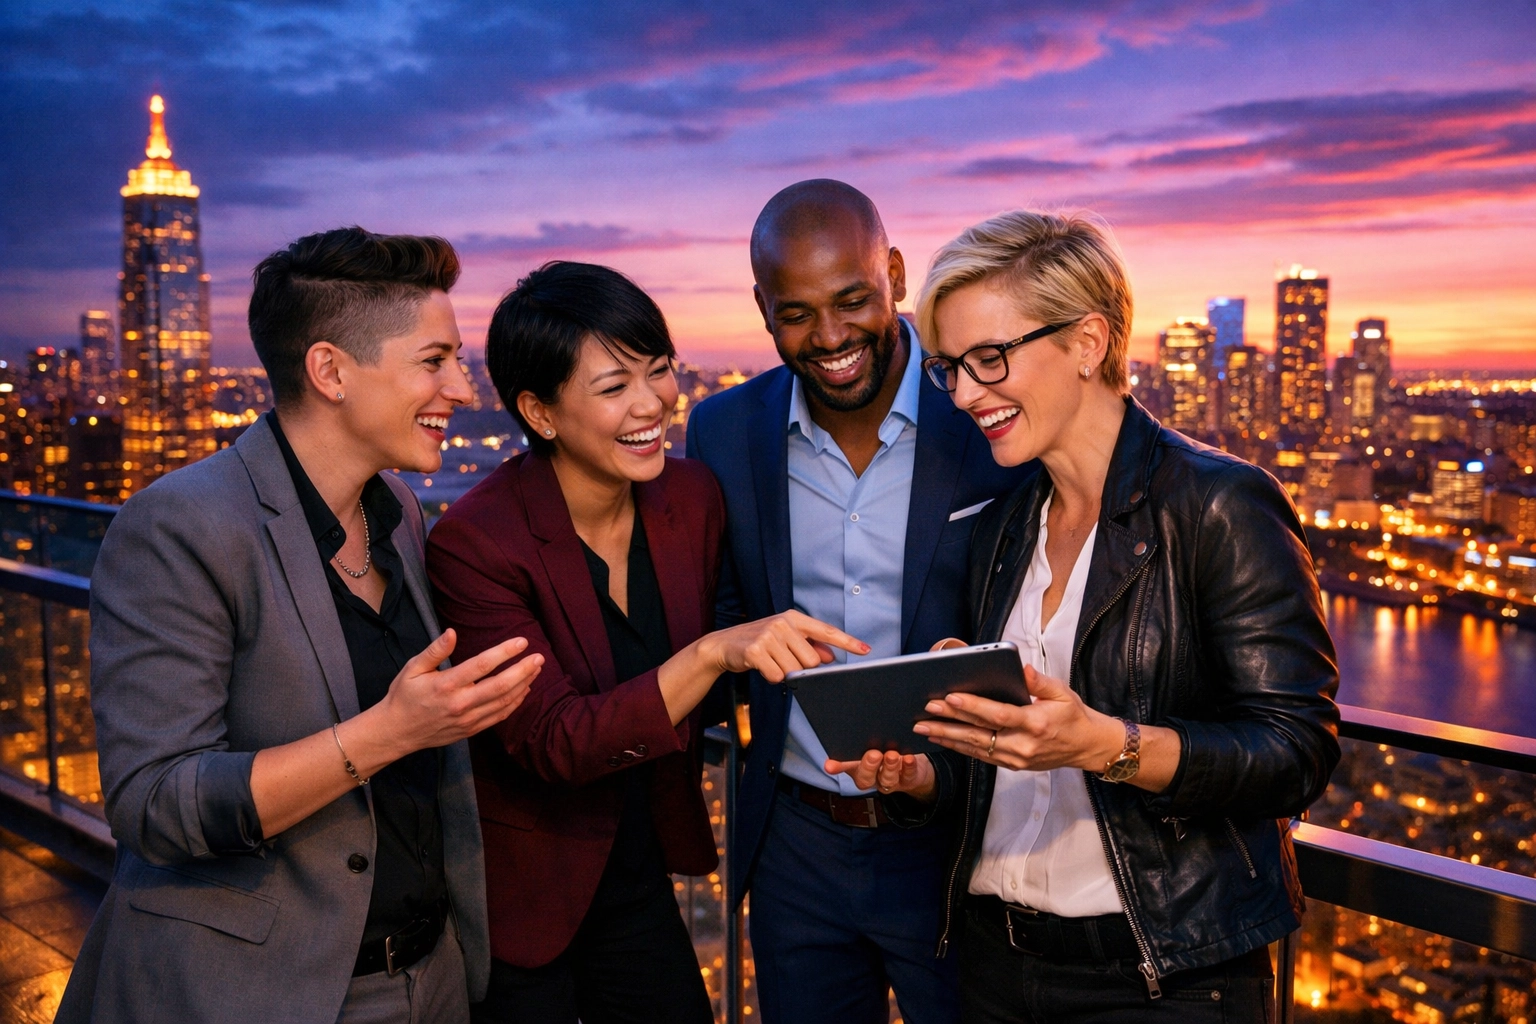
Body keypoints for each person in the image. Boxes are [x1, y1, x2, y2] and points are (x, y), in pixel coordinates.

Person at [859, 209, 1340, 1023]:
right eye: (950, 367)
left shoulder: (1219, 503)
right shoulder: (1007, 524)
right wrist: (929, 774)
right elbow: (1014, 773)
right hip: (992, 968)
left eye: (990, 358)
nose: (966, 393)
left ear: (1087, 342)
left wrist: (1109, 747)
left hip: (1161, 982)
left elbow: (1297, 752)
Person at [57, 228, 540, 1024]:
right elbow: (152, 802)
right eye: (434, 360)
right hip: (261, 994)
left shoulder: (403, 518)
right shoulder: (180, 525)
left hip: (430, 981)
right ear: (330, 371)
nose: (461, 386)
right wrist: (390, 732)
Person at [426, 261, 866, 1024]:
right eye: (612, 387)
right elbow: (554, 742)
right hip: (526, 899)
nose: (651, 403)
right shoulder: (477, 543)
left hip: (639, 871)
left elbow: (739, 658)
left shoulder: (690, 497)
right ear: (539, 411)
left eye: (658, 371)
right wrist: (709, 653)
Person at [684, 180, 1030, 1024]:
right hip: (795, 847)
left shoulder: (988, 413)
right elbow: (722, 615)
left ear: (897, 276)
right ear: (762, 310)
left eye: (852, 300)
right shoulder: (724, 430)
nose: (830, 336)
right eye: (797, 312)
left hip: (958, 843)